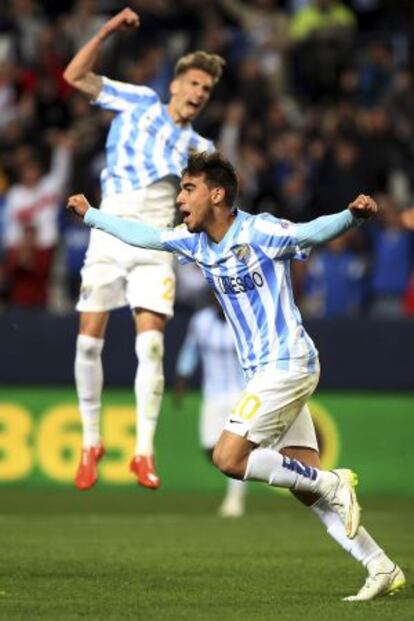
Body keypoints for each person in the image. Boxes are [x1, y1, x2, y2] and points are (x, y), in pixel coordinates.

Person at [67, 151, 405, 601]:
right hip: (265, 373)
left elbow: (310, 231)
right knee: (306, 486)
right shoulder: (196, 244)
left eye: (189, 189)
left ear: (217, 193)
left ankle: (333, 482)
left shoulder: (260, 231)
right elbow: (146, 236)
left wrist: (351, 217)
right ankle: (380, 565)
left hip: (287, 363)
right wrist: (94, 216)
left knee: (229, 458)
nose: (180, 199)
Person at [63, 7, 225, 491]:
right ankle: (91, 442)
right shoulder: (138, 101)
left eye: (207, 90)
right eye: (194, 84)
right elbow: (74, 75)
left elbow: (207, 205)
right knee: (88, 341)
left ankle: (143, 452)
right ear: (176, 83)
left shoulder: (201, 147)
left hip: (156, 238)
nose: (199, 94)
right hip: (110, 228)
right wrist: (110, 29)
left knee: (151, 344)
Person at [175, 296, 247, 517]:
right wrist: (181, 382)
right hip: (213, 394)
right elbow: (190, 351)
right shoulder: (200, 321)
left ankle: (234, 500)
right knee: (210, 448)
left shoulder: (244, 320)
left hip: (242, 394)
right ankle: (257, 466)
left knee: (234, 451)